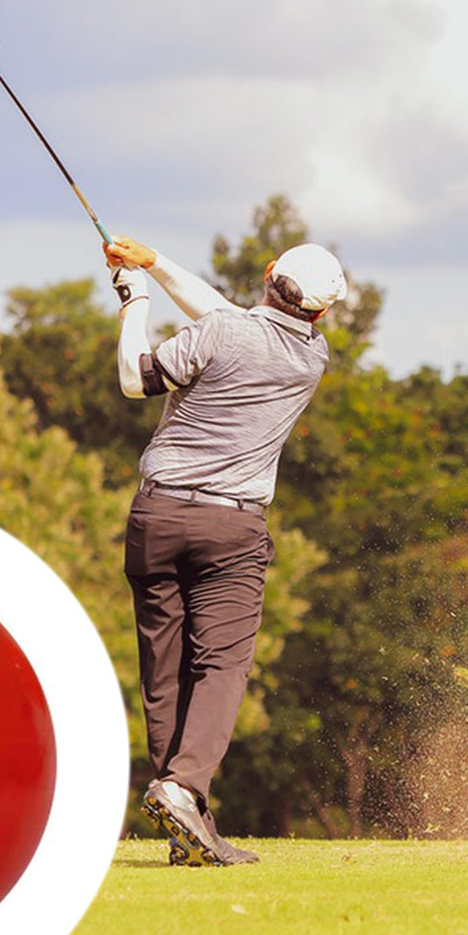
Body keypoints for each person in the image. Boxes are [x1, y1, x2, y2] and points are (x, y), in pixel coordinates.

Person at [105, 234, 347, 866]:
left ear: (268, 274)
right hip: (231, 529)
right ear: (321, 311)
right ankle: (183, 789)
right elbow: (229, 321)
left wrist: (134, 300)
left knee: (165, 671)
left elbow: (136, 378)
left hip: (156, 516)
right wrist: (154, 266)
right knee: (221, 665)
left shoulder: (222, 331)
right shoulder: (311, 357)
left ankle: (186, 824)